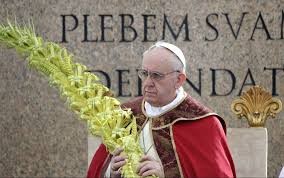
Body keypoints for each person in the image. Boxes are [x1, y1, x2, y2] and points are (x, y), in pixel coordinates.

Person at [87, 41, 236, 178]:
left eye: (156, 76)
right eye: (144, 74)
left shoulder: (204, 124)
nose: (147, 83)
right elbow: (96, 170)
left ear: (179, 80)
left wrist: (168, 174)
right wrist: (110, 172)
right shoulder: (125, 114)